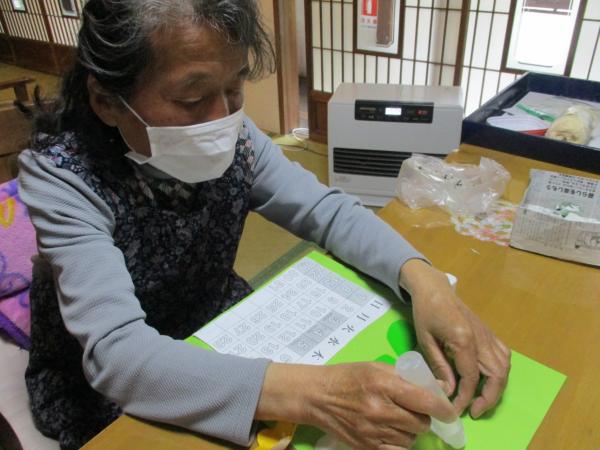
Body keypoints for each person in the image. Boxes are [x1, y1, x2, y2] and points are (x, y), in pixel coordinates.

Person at [17, 1, 511, 449]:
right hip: (116, 380)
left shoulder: (238, 137)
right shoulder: (62, 179)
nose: (222, 118)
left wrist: (425, 282)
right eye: (192, 98)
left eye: (235, 87)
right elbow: (119, 356)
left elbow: (327, 212)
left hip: (217, 323)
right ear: (107, 101)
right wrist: (317, 394)